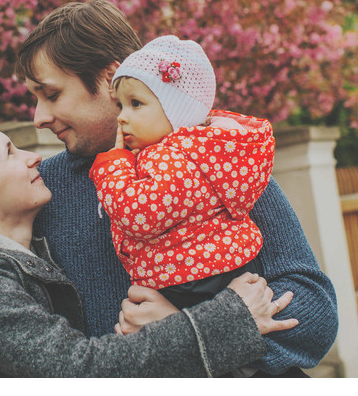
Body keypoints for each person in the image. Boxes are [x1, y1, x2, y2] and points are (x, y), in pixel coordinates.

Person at [0, 0, 338, 377]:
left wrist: (189, 326)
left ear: (110, 79)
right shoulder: (40, 190)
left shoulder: (218, 162)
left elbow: (315, 310)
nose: (38, 117)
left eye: (52, 94)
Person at [0, 117, 297, 377]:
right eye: (9, 152)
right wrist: (231, 319)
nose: (33, 155)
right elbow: (80, 371)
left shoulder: (20, 255)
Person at [90, 35, 275, 309]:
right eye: (120, 105)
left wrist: (114, 167)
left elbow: (139, 215)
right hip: (219, 267)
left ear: (176, 112)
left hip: (189, 278)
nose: (121, 116)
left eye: (136, 104)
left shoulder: (173, 157)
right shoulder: (204, 150)